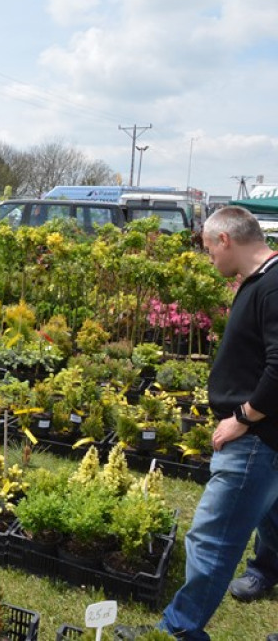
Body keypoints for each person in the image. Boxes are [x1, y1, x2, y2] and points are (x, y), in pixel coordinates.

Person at [155, 206, 278, 641]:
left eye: (209, 250)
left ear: (225, 239)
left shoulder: (273, 285)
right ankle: (267, 571)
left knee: (211, 537)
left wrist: (243, 417)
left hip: (256, 439)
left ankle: (178, 629)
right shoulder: (262, 279)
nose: (210, 260)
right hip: (266, 437)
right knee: (273, 521)